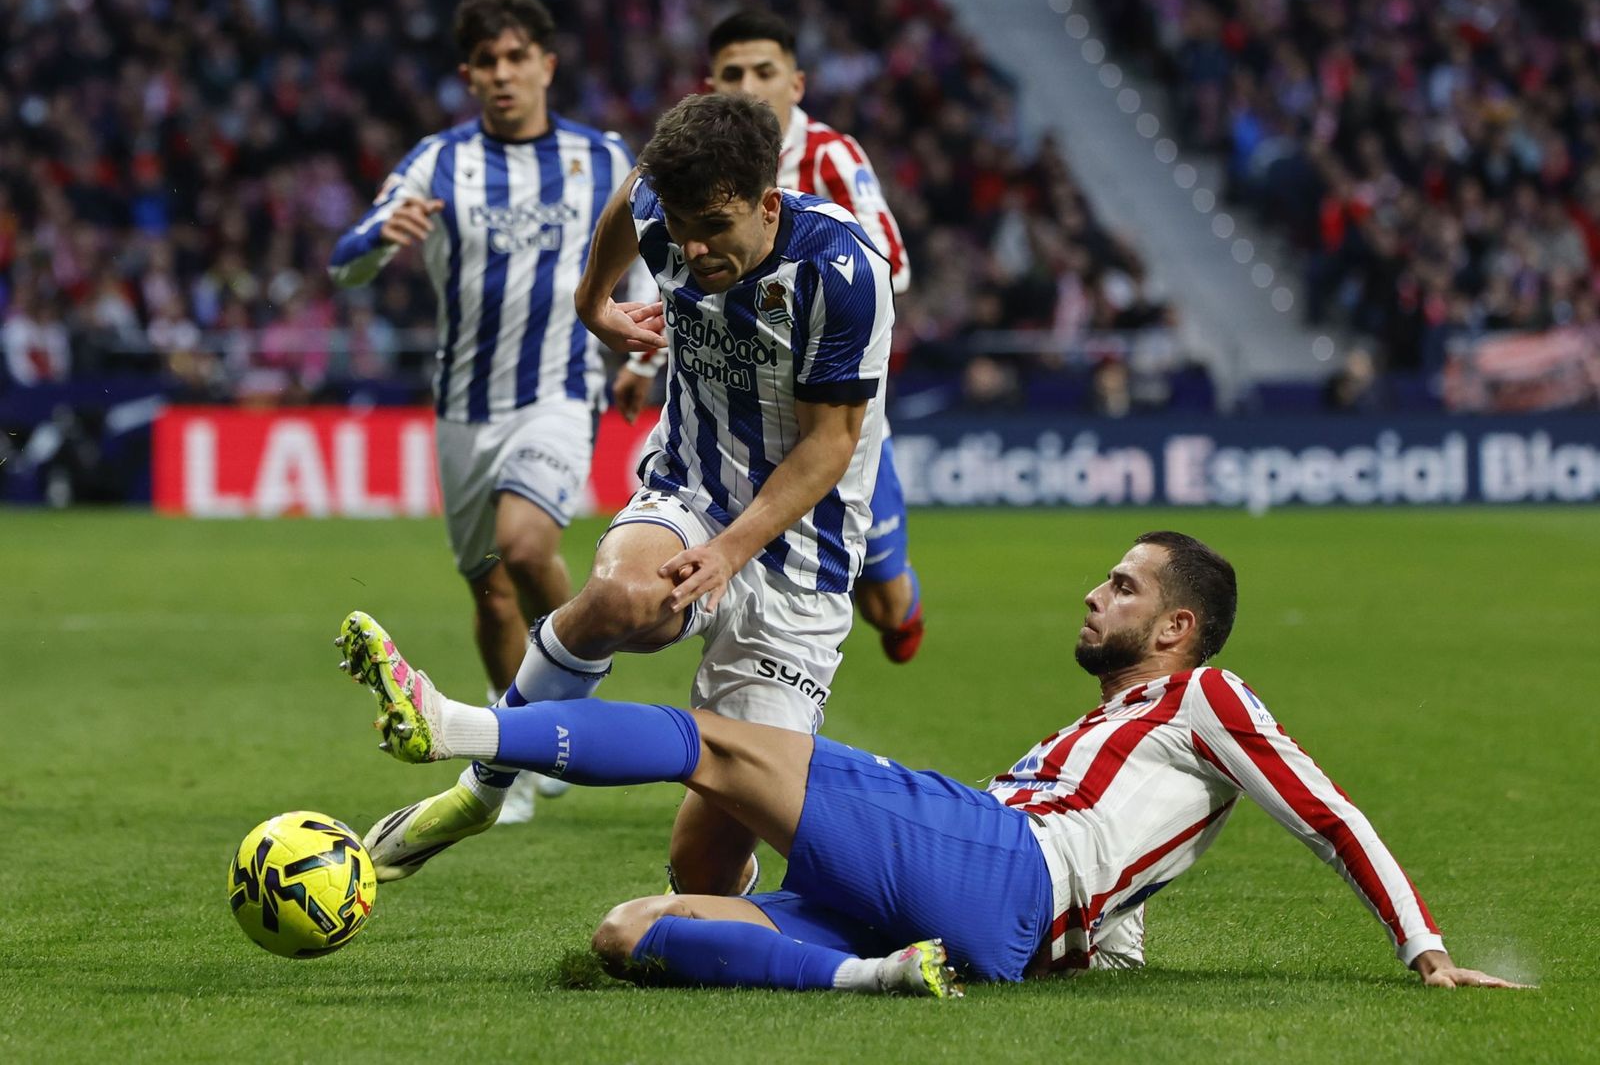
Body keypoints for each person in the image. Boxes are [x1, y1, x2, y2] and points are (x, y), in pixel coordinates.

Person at [335, 530, 1526, 997]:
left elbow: (1327, 814)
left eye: (1121, 585)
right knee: (626, 929)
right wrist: (1102, 934)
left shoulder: (1207, 694)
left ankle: (456, 729)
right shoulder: (1091, 735)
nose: (1092, 590)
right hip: (981, 920)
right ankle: (881, 978)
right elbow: (1127, 869)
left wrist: (1422, 949)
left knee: (717, 746)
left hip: (1003, 864)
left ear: (1174, 628)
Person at [356, 91, 896, 896]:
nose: (692, 245)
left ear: (768, 204)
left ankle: (731, 912)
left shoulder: (842, 273)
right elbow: (635, 191)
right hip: (691, 490)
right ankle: (479, 793)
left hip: (799, 559)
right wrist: (592, 302)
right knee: (617, 596)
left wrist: (730, 552)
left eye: (715, 225)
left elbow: (830, 446)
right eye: (680, 224)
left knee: (701, 871)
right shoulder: (666, 208)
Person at [328, 0, 650, 823]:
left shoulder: (598, 156)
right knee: (492, 594)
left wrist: (643, 345)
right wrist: (376, 238)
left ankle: (567, 691)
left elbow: (644, 255)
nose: (502, 74)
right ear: (468, 73)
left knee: (526, 542)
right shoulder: (437, 163)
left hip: (559, 389)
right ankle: (522, 742)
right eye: (486, 61)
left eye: (517, 58)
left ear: (546, 63)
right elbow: (345, 263)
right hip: (465, 405)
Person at [613, 10, 925, 665]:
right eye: (733, 74)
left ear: (797, 82)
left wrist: (796, 292)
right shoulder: (698, 167)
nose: (750, 85)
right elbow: (671, 263)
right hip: (729, 403)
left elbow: (888, 265)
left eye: (765, 71)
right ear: (711, 85)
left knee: (885, 605)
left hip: (827, 403)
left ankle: (901, 604)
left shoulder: (829, 158)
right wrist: (643, 358)